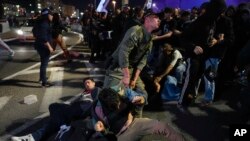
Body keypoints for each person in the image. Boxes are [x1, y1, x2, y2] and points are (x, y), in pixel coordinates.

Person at [104, 11, 161, 117]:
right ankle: (103, 124)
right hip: (118, 67)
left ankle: (136, 120)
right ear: (147, 19)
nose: (159, 20)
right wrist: (126, 76)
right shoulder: (136, 30)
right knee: (109, 97)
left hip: (131, 69)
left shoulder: (150, 40)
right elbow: (123, 52)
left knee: (142, 94)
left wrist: (134, 79)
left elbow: (142, 61)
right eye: (156, 17)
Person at [11, 77, 101, 141]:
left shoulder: (96, 90)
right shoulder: (85, 92)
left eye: (88, 82)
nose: (86, 84)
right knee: (53, 107)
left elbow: (94, 104)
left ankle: (34, 137)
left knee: (55, 116)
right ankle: (62, 125)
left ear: (94, 83)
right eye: (85, 83)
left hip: (81, 110)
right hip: (74, 108)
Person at [178, 0, 227, 107]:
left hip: (204, 57)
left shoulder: (213, 22)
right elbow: (183, 38)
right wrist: (193, 47)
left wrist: (214, 40)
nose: (221, 15)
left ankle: (189, 100)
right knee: (190, 79)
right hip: (194, 56)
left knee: (196, 79)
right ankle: (181, 102)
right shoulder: (200, 21)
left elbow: (207, 37)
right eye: (220, 12)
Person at [32, 8, 54, 87]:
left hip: (39, 45)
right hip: (44, 46)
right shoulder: (44, 24)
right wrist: (49, 47)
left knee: (43, 63)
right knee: (44, 64)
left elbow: (34, 33)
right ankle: (44, 82)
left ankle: (42, 78)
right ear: (47, 15)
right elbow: (43, 37)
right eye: (51, 15)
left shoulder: (39, 22)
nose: (52, 17)